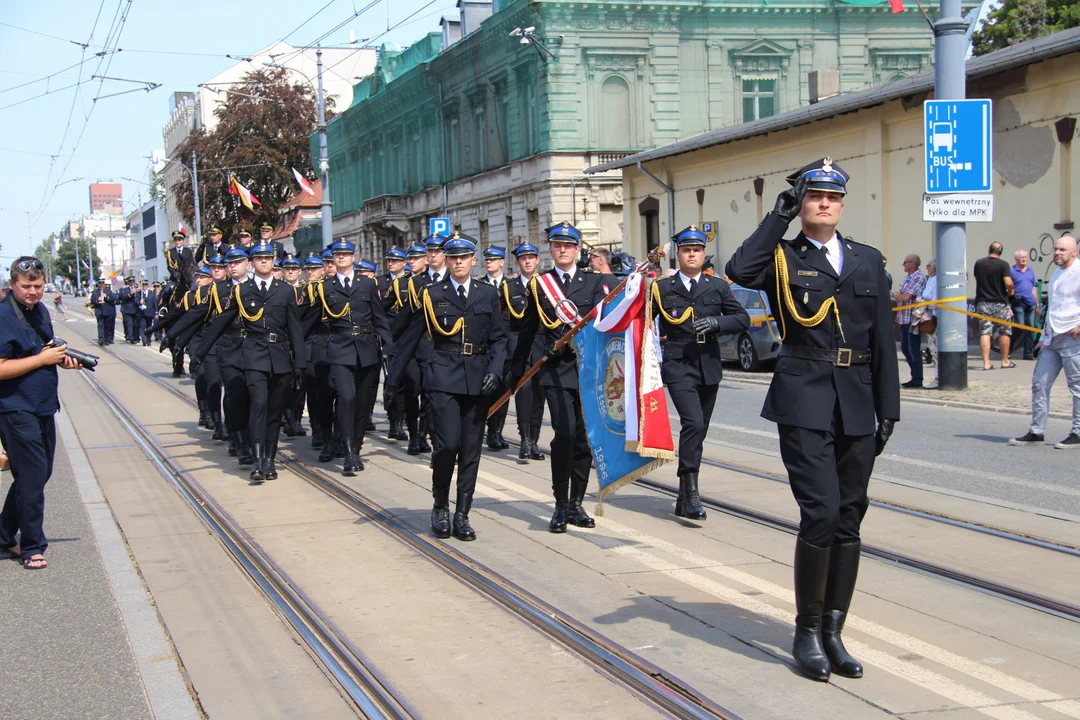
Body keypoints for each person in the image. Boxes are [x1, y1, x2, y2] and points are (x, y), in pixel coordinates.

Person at [725, 157, 900, 682]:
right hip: (804, 398)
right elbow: (739, 271)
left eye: (832, 197)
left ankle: (833, 631)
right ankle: (806, 631)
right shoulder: (781, 257)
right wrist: (777, 218)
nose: (824, 203)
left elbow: (882, 340)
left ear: (843, 204)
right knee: (821, 512)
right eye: (813, 196)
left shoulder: (867, 261)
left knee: (850, 516)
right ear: (802, 203)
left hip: (858, 400)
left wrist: (888, 409)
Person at [387, 235, 507, 540]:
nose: (458, 262)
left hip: (478, 379)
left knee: (470, 451)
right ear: (444, 259)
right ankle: (440, 504)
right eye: (452, 257)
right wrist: (392, 379)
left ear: (473, 260)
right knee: (447, 446)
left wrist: (495, 370)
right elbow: (409, 336)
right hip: (442, 377)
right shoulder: (431, 294)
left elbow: (499, 339)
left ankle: (462, 513)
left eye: (464, 257)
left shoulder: (486, 294)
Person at [512, 222, 616, 533]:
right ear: (551, 249)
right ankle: (559, 503)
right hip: (555, 371)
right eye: (557, 245)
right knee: (566, 434)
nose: (562, 250)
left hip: (587, 370)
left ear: (577, 249)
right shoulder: (541, 284)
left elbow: (605, 324)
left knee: (584, 439)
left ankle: (576, 504)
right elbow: (529, 328)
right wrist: (515, 371)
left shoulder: (594, 283)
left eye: (568, 246)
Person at [653, 226, 750, 520]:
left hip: (708, 363)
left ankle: (684, 494)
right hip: (678, 362)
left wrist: (717, 323)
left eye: (696, 250)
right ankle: (693, 491)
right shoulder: (662, 289)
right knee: (692, 423)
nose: (691, 254)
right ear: (679, 254)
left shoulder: (717, 287)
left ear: (703, 254)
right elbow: (640, 321)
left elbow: (742, 318)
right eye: (686, 250)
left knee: (699, 430)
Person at [195, 244, 306, 482]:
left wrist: (300, 363)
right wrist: (200, 352)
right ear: (252, 262)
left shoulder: (285, 291)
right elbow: (222, 320)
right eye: (258, 258)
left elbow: (295, 329)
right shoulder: (242, 291)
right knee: (258, 404)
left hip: (279, 356)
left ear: (273, 260)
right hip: (253, 355)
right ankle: (256, 461)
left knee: (274, 411)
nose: (263, 262)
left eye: (267, 258)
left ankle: (269, 459)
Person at [0, 257, 84, 570]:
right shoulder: (3, 316)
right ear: (12, 285)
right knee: (32, 478)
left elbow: (40, 352)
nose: (33, 291)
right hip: (14, 406)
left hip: (42, 404)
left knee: (36, 475)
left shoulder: (40, 311)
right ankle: (32, 546)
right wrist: (42, 360)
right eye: (26, 286)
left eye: (38, 285)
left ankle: (3, 533)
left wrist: (59, 360)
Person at [314, 240, 393, 474]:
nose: (341, 258)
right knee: (346, 397)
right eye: (337, 255)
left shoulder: (367, 285)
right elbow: (312, 320)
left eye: (345, 254)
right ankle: (348, 451)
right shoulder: (325, 287)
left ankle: (356, 445)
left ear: (352, 257)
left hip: (367, 349)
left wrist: (388, 345)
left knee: (362, 403)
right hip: (339, 348)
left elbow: (379, 316)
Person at [1010, 236, 1080, 449]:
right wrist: (1043, 337)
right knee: (1039, 383)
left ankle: (1077, 432)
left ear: (1074, 252)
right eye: (1056, 249)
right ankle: (1037, 430)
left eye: (1062, 249)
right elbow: (1054, 307)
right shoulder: (1057, 273)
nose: (1057, 252)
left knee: (1076, 386)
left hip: (1072, 338)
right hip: (1052, 338)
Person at [505, 243, 546, 461]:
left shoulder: (546, 285)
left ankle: (535, 441)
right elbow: (502, 321)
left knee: (539, 395)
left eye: (531, 257)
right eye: (523, 258)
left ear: (538, 260)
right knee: (524, 393)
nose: (528, 261)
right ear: (518, 262)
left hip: (540, 345)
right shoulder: (509, 288)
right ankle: (525, 440)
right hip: (518, 346)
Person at [478, 246, 511, 450]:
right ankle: (484, 428)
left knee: (502, 391)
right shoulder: (479, 285)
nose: (489, 262)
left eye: (494, 259)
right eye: (487, 259)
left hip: (505, 346)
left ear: (502, 262)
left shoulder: (511, 285)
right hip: (485, 345)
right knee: (485, 389)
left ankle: (496, 431)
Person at [378, 248, 411, 442]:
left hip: (410, 336)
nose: (391, 263)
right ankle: (395, 422)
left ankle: (408, 417)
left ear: (404, 262)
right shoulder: (380, 282)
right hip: (392, 337)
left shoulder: (410, 281)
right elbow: (379, 311)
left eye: (395, 260)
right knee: (394, 380)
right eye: (389, 260)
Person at [974, 242, 1015, 370]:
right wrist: (1011, 292)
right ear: (1001, 251)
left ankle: (986, 363)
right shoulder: (1003, 265)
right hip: (1000, 302)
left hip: (982, 301)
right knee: (1004, 331)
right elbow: (1008, 283)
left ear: (989, 249)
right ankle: (1004, 361)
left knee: (985, 331)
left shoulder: (979, 263)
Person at [891, 255, 927, 388]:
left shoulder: (918, 277)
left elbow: (905, 297)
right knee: (905, 348)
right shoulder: (908, 277)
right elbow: (898, 295)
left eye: (906, 262)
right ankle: (915, 376)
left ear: (913, 264)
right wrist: (898, 296)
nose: (903, 264)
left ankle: (917, 379)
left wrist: (899, 296)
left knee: (913, 349)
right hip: (904, 318)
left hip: (913, 319)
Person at [1011, 249, 1040, 361]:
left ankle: (1028, 353)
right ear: (1016, 259)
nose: (1024, 259)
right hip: (1019, 302)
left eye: (1025, 257)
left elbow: (1034, 289)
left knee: (1030, 328)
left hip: (1031, 303)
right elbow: (1008, 288)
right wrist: (1009, 305)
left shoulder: (1030, 271)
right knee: (1020, 328)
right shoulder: (1012, 271)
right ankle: (1008, 347)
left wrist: (1037, 304)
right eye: (1021, 257)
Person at [918, 259, 939, 389]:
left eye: (929, 265)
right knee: (932, 348)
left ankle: (938, 378)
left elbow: (935, 302)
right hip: (928, 316)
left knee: (936, 350)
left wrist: (923, 302)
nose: (926, 268)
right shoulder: (930, 279)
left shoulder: (937, 280)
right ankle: (937, 376)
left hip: (934, 317)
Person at [87, 279, 117, 345]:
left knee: (106, 326)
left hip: (107, 311)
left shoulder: (108, 291)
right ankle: (101, 339)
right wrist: (98, 299)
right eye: (100, 283)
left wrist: (107, 297)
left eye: (102, 283)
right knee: (100, 325)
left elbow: (113, 298)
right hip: (99, 311)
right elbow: (92, 300)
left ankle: (106, 339)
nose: (101, 285)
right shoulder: (95, 292)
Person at [118, 276, 140, 343]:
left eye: (133, 281)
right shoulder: (124, 289)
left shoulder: (137, 289)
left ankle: (136, 337)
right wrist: (130, 294)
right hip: (128, 310)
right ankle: (131, 337)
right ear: (128, 282)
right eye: (131, 281)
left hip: (136, 309)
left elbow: (140, 297)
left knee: (136, 325)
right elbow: (121, 297)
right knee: (129, 324)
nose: (132, 282)